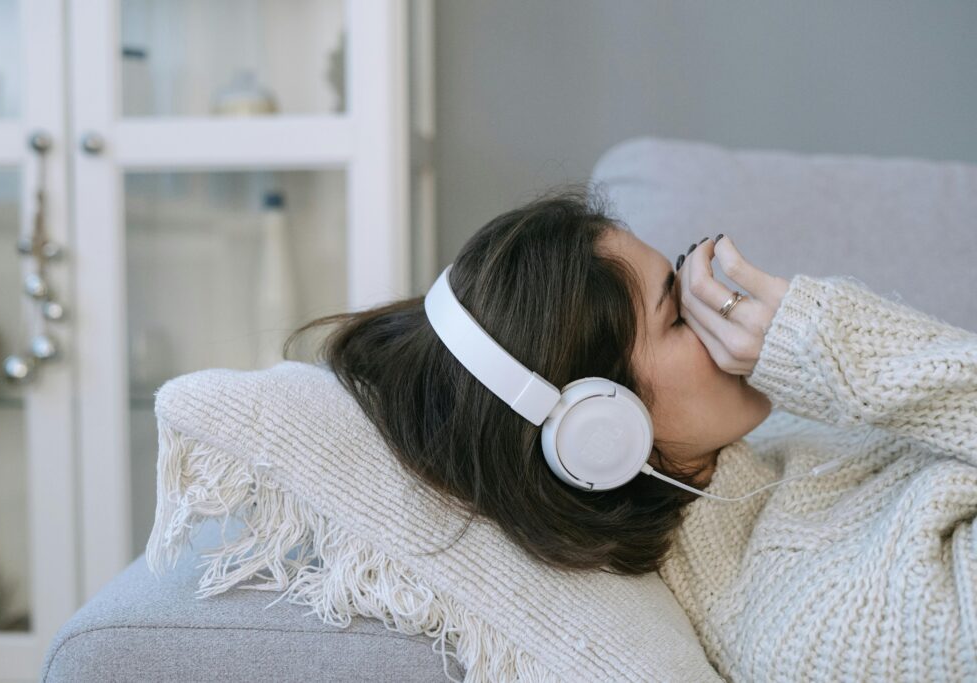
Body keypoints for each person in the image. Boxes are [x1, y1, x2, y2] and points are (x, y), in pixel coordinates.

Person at [285, 183, 976, 681]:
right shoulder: (818, 625)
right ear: (601, 432)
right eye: (679, 315)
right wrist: (843, 345)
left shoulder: (786, 444)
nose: (723, 321)